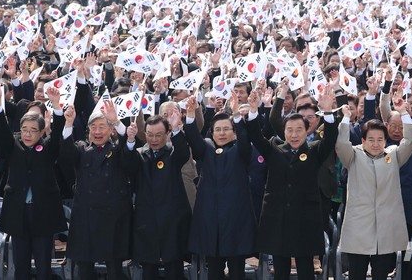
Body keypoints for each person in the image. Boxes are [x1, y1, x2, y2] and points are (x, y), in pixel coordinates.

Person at [246, 85, 337, 279]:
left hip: (306, 218)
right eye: (290, 130)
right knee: (280, 270)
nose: (294, 135)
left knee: (306, 270)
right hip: (278, 218)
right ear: (284, 132)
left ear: (307, 131)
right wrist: (254, 110)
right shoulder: (274, 148)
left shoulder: (314, 150)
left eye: (298, 130)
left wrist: (328, 111)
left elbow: (330, 139)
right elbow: (255, 135)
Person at [336, 97, 412, 280]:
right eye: (370, 139)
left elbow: (411, 140)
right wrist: (346, 118)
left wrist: (403, 112)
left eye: (380, 139)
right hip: (359, 228)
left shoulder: (394, 154)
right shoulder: (354, 155)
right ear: (363, 140)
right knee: (356, 275)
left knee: (381, 275)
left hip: (386, 229)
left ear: (385, 140)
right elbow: (341, 144)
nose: (375, 143)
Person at [0, 85, 68, 280]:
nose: (27, 134)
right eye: (24, 130)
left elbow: (58, 130)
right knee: (21, 265)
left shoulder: (47, 147)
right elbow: (1, 131)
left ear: (42, 131)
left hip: (42, 213)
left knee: (43, 265)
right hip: (18, 212)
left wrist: (56, 105)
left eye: (33, 131)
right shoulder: (13, 144)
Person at [184, 95, 256, 280]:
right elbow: (194, 140)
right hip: (211, 220)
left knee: (237, 270)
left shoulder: (240, 149)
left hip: (236, 221)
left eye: (226, 129)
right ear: (212, 133)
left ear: (234, 131)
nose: (222, 133)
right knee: (214, 270)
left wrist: (237, 116)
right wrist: (190, 114)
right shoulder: (206, 149)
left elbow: (246, 141)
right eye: (218, 130)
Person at [59, 101, 132, 280]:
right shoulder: (82, 149)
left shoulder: (117, 150)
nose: (97, 132)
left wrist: (117, 122)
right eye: (94, 127)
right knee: (84, 269)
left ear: (110, 131)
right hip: (86, 217)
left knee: (114, 268)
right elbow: (66, 154)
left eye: (102, 127)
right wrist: (68, 123)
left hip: (112, 217)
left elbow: (129, 150)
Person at [125, 111, 192, 280]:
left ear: (167, 134)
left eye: (159, 135)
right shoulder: (140, 154)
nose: (154, 139)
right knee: (149, 267)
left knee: (173, 267)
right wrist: (130, 140)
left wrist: (177, 129)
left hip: (172, 219)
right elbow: (128, 165)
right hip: (147, 220)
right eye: (150, 135)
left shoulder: (172, 154)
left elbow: (183, 153)